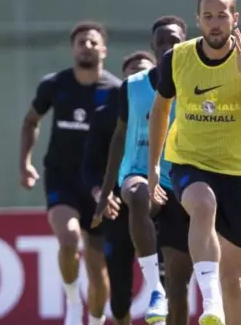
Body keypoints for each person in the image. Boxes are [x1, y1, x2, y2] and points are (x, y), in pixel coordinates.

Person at [148, 0, 241, 325]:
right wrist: (152, 170)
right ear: (198, 20)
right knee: (203, 205)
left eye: (222, 15)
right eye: (208, 16)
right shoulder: (177, 59)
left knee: (236, 281)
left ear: (235, 18)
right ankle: (210, 302)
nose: (215, 23)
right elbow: (160, 110)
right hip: (190, 161)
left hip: (237, 172)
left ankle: (221, 300)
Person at [93, 15, 193, 325]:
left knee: (179, 284)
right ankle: (153, 289)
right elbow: (119, 137)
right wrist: (107, 189)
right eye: (161, 41)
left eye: (173, 40)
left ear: (186, 44)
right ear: (153, 45)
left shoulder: (197, 84)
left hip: (182, 180)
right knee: (136, 193)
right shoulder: (132, 87)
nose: (167, 46)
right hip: (139, 172)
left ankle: (168, 294)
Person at [19, 21, 121, 325]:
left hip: (100, 187)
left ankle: (97, 319)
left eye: (92, 42)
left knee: (96, 264)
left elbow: (126, 140)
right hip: (62, 178)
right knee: (69, 238)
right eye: (80, 42)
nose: (86, 47)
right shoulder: (55, 85)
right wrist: (24, 163)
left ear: (103, 49)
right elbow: (30, 121)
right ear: (72, 49)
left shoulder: (116, 91)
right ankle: (73, 301)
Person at [81, 51, 156, 325]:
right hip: (119, 209)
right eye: (133, 71)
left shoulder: (172, 105)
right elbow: (90, 166)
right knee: (121, 289)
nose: (139, 75)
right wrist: (101, 193)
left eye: (146, 70)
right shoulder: (104, 115)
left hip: (158, 205)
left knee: (169, 280)